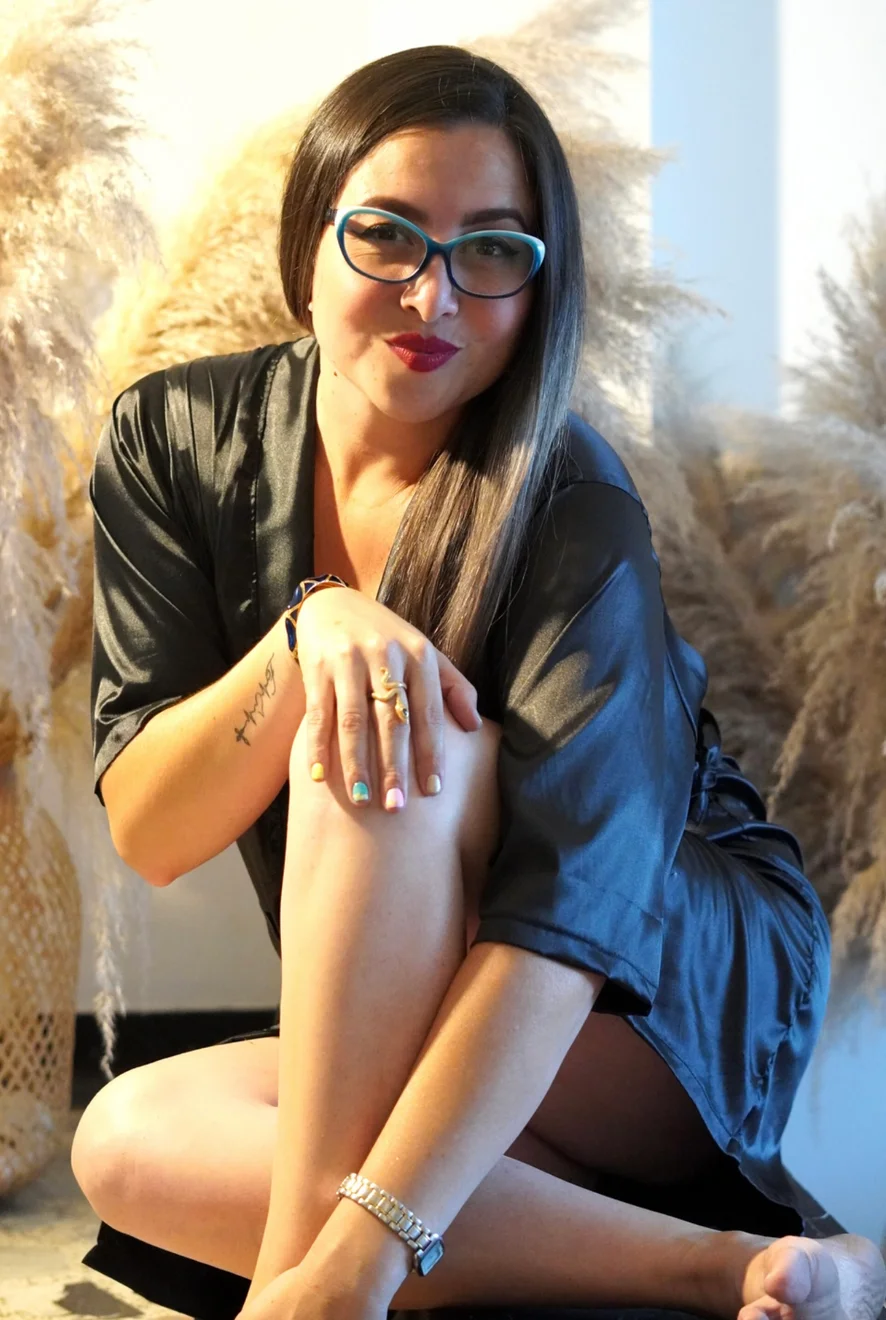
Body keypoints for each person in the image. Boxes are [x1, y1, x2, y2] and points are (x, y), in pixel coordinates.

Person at [71, 42, 885, 1320]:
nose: (431, 294)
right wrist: (304, 635)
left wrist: (350, 1259)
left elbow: (575, 910)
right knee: (127, 1141)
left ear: (537, 284)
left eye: (491, 252)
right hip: (432, 983)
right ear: (307, 240)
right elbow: (153, 830)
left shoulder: (572, 499)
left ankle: (316, 1293)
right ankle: (717, 1267)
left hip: (649, 981)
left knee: (389, 737)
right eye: (386, 234)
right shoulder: (170, 438)